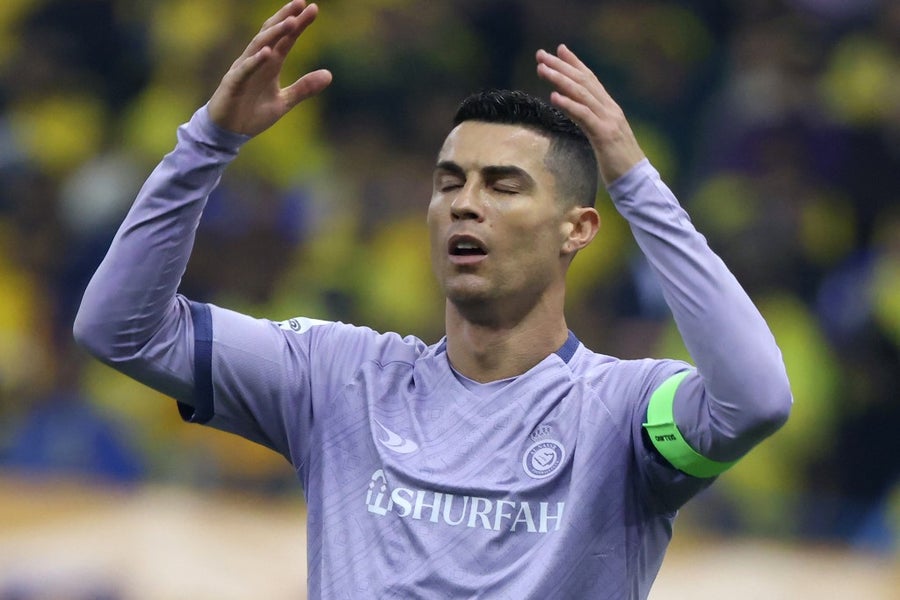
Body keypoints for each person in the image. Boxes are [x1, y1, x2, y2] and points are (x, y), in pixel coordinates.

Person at [74, 1, 792, 597]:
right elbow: (120, 331)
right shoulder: (337, 379)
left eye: (503, 185)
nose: (463, 204)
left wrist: (635, 182)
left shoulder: (625, 414)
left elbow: (755, 400)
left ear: (577, 229)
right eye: (449, 182)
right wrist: (208, 143)